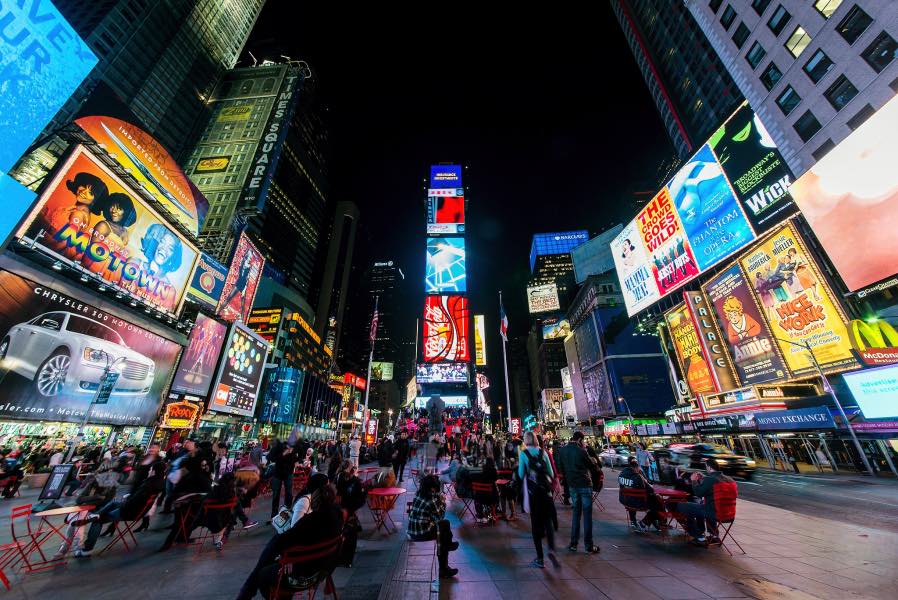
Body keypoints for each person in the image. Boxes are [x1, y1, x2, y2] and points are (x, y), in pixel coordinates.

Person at [236, 482, 344, 600]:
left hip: (301, 577)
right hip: (324, 571)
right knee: (278, 548)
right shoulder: (337, 517)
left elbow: (282, 542)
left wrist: (288, 558)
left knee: (264, 571)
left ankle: (247, 591)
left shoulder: (308, 522)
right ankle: (247, 591)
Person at [71, 461, 165, 557]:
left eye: (150, 469)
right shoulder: (159, 483)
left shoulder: (148, 485)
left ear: (153, 471)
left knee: (98, 521)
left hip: (130, 511)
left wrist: (125, 501)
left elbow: (133, 501)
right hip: (138, 510)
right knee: (114, 503)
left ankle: (87, 549)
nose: (149, 471)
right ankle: (96, 515)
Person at [407, 474, 459, 578]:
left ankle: (447, 552)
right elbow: (439, 517)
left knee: (445, 526)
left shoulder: (419, 493)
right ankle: (444, 569)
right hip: (421, 533)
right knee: (443, 534)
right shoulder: (431, 499)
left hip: (413, 531)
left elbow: (434, 518)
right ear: (432, 488)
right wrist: (443, 502)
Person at [557, 432, 600, 553]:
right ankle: (588, 545)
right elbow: (593, 467)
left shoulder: (563, 450)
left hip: (572, 485)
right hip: (584, 485)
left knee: (576, 513)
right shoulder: (582, 451)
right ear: (580, 440)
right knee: (587, 515)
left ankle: (573, 543)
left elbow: (560, 467)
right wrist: (594, 460)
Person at [518, 431, 556, 568]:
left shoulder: (523, 454)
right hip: (546, 493)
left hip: (533, 494)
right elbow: (551, 473)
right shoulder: (543, 453)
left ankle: (540, 558)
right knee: (548, 522)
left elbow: (521, 474)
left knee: (535, 525)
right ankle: (551, 549)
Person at [676, 461, 736, 545]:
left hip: (714, 513)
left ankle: (699, 536)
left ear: (710, 467)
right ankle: (714, 535)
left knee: (682, 506)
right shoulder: (729, 479)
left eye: (706, 467)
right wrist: (704, 478)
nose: (706, 469)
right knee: (708, 504)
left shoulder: (711, 480)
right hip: (729, 515)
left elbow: (698, 493)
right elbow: (713, 485)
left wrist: (693, 481)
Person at [618, 458, 664, 533]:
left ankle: (634, 520)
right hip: (638, 502)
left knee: (633, 496)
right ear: (636, 468)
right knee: (658, 504)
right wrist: (643, 478)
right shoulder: (637, 477)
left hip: (625, 500)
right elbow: (650, 490)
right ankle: (645, 522)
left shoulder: (621, 474)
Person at [269, 441, 297, 519]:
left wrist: (292, 454)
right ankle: (274, 516)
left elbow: (296, 459)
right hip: (278, 473)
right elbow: (271, 458)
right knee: (276, 494)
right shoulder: (277, 447)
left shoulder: (293, 447)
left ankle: (287, 513)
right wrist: (283, 454)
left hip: (288, 473)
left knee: (289, 494)